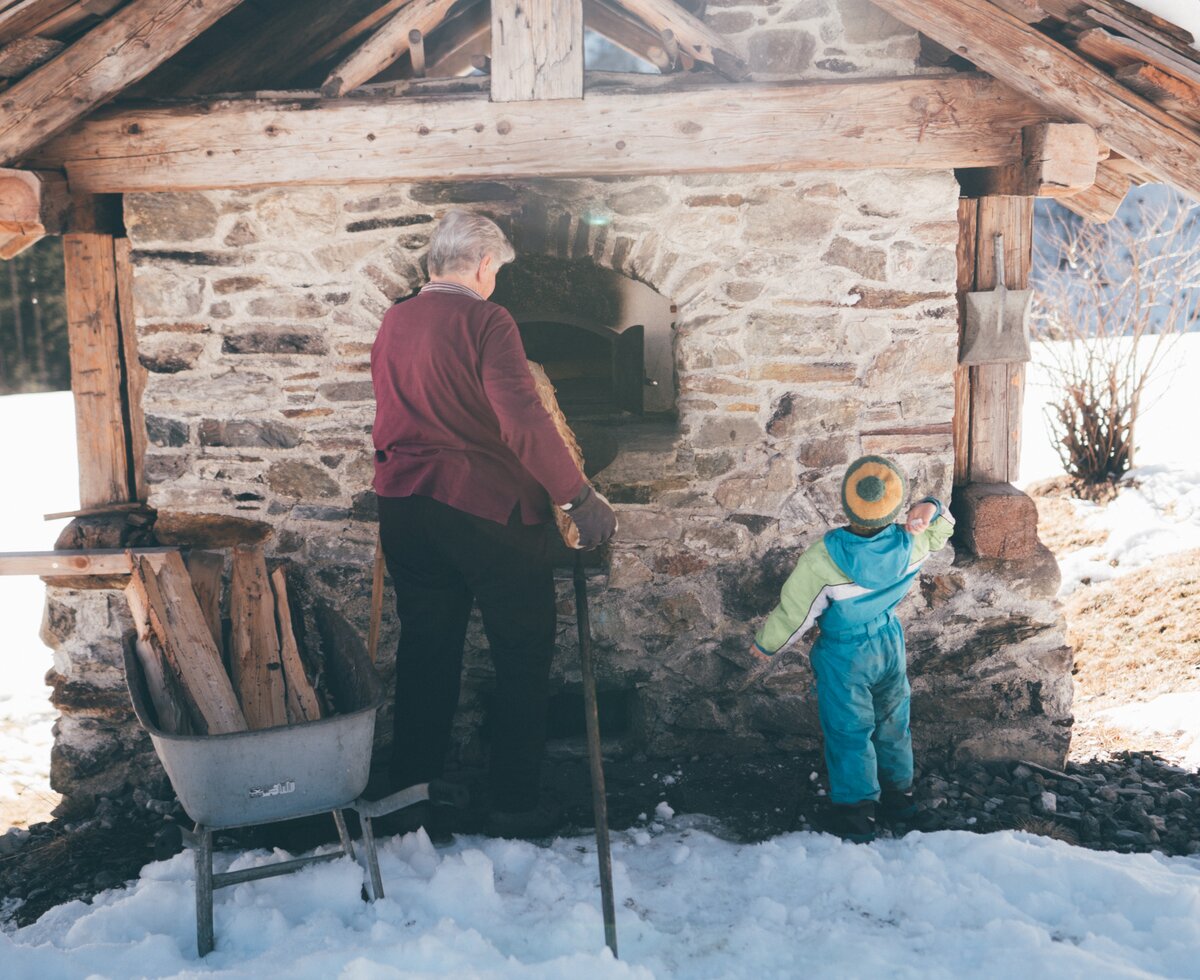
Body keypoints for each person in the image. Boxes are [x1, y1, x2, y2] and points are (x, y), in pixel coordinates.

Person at [370, 210, 618, 836]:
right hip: (483, 512)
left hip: (404, 507)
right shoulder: (486, 319)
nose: (495, 285)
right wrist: (577, 498)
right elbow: (523, 420)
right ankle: (514, 800)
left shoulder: (394, 319)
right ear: (483, 266)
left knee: (427, 650)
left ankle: (412, 795)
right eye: (496, 274)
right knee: (522, 651)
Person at [750, 455, 954, 843]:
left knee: (849, 729)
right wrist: (928, 508)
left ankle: (857, 813)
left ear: (846, 502)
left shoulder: (823, 558)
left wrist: (766, 644)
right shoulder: (912, 543)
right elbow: (941, 526)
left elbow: (797, 610)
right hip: (889, 643)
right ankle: (900, 798)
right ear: (896, 508)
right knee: (893, 721)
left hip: (844, 654)